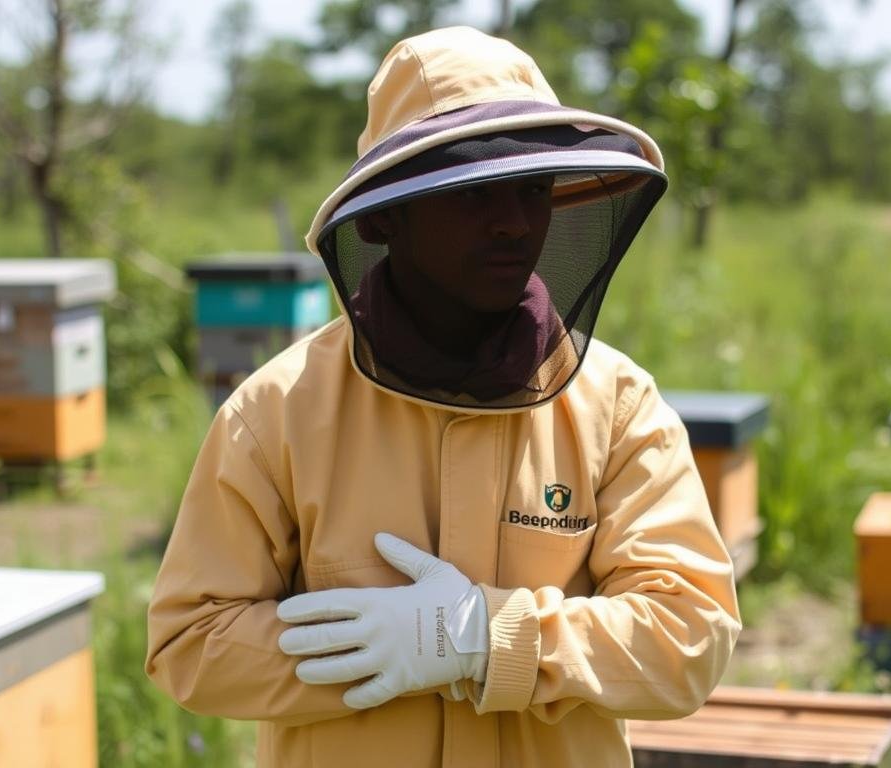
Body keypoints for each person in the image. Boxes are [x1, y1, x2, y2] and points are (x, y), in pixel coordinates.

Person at [146, 25, 741, 768]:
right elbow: (190, 644)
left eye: (532, 188)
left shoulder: (617, 405)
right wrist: (370, 651)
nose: (515, 224)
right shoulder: (278, 413)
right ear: (383, 216)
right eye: (476, 190)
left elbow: (689, 638)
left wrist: (482, 639)